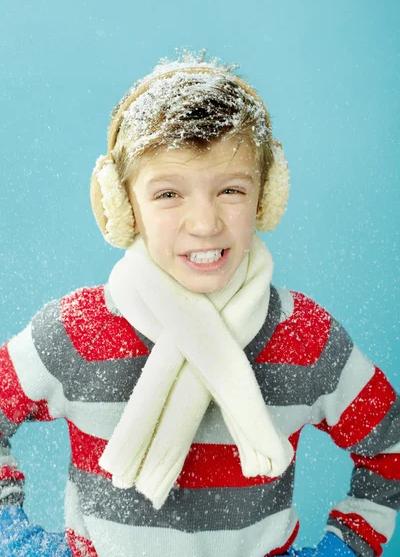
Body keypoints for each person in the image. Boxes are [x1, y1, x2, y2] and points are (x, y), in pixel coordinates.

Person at [0, 48, 399, 557]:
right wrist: (15, 540)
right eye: (168, 194)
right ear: (123, 207)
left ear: (265, 197)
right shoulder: (78, 331)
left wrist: (346, 546)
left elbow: (390, 447)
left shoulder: (305, 337)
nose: (205, 224)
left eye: (230, 189)